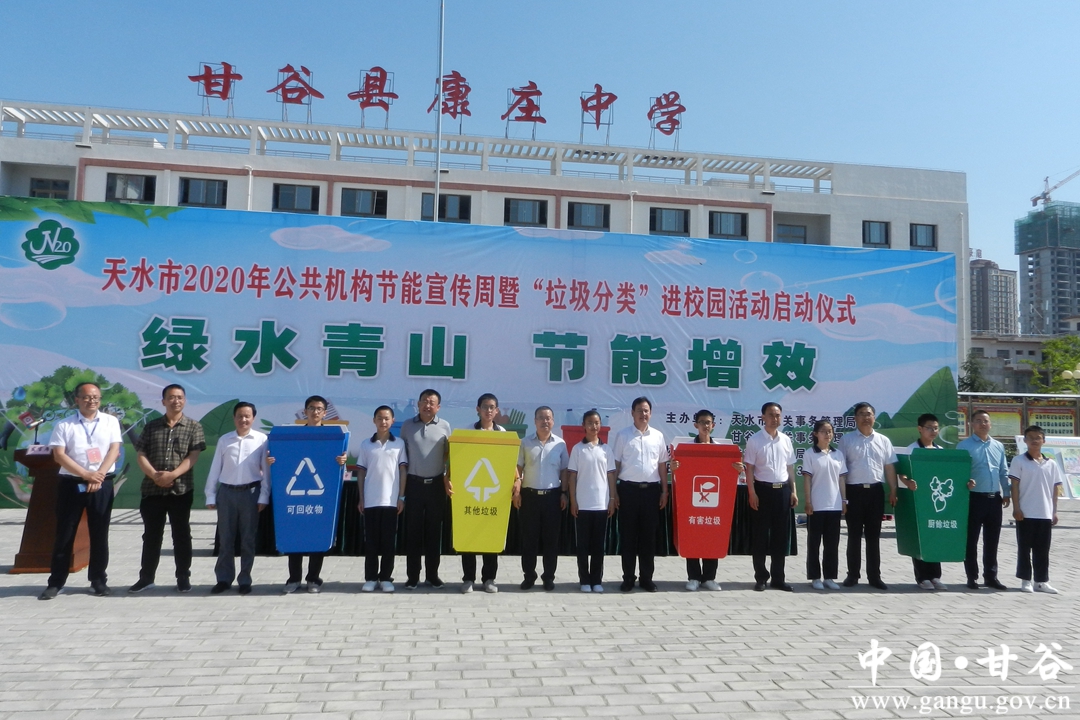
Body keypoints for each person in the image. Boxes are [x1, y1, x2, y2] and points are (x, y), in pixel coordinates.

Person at [40, 381, 122, 600]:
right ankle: (56, 582)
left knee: (99, 533)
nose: (91, 401)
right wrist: (86, 475)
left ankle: (98, 580)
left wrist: (98, 475)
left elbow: (114, 449)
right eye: (86, 397)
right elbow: (59, 455)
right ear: (77, 400)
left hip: (102, 482)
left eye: (95, 397)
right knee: (65, 533)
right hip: (72, 483)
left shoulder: (111, 422)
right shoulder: (64, 425)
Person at [128, 384, 206, 594]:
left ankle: (183, 577)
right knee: (151, 536)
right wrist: (155, 475)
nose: (175, 401)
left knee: (181, 535)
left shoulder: (194, 426)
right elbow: (141, 454)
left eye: (179, 397)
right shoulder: (151, 426)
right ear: (163, 401)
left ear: (184, 400)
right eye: (171, 397)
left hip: (181, 490)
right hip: (152, 490)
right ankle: (146, 578)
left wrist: (172, 475)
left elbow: (193, 456)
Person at [280, 395, 347, 594]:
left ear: (325, 413)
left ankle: (313, 579)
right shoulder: (294, 436)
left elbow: (338, 462)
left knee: (318, 535)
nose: (315, 412)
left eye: (319, 409)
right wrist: (273, 460)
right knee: (295, 535)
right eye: (311, 408)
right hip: (296, 494)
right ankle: (293, 578)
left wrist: (341, 460)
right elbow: (285, 459)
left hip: (321, 494)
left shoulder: (332, 437)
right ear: (305, 411)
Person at [205, 401, 269, 595]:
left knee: (248, 539)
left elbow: (266, 471)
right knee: (226, 539)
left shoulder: (262, 440)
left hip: (251, 493)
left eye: (247, 416)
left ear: (253, 418)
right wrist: (210, 494)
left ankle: (245, 579)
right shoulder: (225, 440)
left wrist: (264, 496)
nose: (243, 419)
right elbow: (215, 467)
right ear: (234, 418)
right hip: (227, 493)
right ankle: (224, 579)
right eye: (240, 416)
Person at [837, 402, 898, 590]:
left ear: (874, 417)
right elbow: (841, 471)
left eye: (869, 414)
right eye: (862, 414)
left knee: (873, 536)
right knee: (854, 535)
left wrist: (893, 490)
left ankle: (874, 577)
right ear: (855, 418)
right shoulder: (846, 440)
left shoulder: (883, 441)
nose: (866, 417)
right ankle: (852, 575)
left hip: (875, 491)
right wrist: (843, 498)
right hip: (854, 492)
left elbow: (889, 467)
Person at [611, 396, 670, 593]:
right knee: (628, 537)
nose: (643, 414)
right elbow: (616, 464)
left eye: (646, 411)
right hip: (628, 491)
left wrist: (664, 490)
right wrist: (614, 493)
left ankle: (647, 578)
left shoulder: (658, 436)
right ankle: (628, 578)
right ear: (632, 413)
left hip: (651, 492)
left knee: (648, 538)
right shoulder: (623, 435)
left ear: (650, 414)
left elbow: (662, 465)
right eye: (639, 410)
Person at [400, 389, 452, 590]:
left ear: (438, 407)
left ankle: (432, 575)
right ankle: (412, 576)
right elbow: (402, 455)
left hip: (436, 486)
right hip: (413, 485)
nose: (427, 405)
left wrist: (447, 477)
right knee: (413, 532)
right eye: (424, 401)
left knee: (433, 532)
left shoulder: (445, 426)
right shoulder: (407, 426)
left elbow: (449, 455)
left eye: (432, 403)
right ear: (418, 403)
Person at [513, 406, 569, 591]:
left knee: (551, 540)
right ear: (535, 421)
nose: (545, 421)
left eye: (548, 418)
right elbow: (518, 468)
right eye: (541, 418)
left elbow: (564, 471)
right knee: (529, 540)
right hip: (529, 497)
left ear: (553, 421)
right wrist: (517, 491)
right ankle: (529, 576)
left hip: (552, 497)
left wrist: (564, 493)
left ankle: (548, 577)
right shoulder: (525, 443)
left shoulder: (560, 444)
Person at [744, 401, 798, 592]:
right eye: (771, 415)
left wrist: (793, 491)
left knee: (780, 537)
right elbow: (749, 469)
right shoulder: (755, 440)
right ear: (763, 417)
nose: (774, 418)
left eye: (777, 415)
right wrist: (752, 492)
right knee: (760, 536)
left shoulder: (786, 440)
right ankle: (761, 577)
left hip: (782, 491)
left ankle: (778, 578)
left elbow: (789, 468)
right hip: (762, 491)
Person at [459, 392, 508, 593]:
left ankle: (489, 578)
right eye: (485, 407)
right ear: (477, 409)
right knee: (469, 535)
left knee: (490, 535)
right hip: (469, 491)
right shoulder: (467, 431)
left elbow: (507, 461)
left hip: (493, 493)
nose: (488, 410)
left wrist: (516, 480)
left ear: (497, 411)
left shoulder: (502, 433)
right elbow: (459, 459)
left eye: (492, 407)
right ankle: (468, 578)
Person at [956, 410, 1011, 591]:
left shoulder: (998, 446)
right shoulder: (964, 446)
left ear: (990, 424)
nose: (982, 424)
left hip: (994, 499)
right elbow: (959, 473)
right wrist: (966, 482)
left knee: (992, 541)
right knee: (971, 540)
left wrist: (1006, 492)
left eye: (985, 421)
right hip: (974, 498)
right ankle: (972, 577)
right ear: (971, 424)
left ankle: (991, 577)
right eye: (978, 421)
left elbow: (1003, 471)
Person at [356, 406, 408, 593]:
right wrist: (361, 498)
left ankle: (386, 577)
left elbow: (403, 470)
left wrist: (401, 497)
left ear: (392, 421)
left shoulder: (399, 444)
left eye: (387, 418)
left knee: (388, 542)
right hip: (370, 500)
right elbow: (361, 472)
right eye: (379, 418)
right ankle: (371, 577)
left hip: (391, 501)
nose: (383, 422)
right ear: (374, 420)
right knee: (371, 542)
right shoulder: (366, 444)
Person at [1009, 425, 1063, 594]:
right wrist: (1016, 508)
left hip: (1044, 513)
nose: (1034, 440)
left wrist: (1054, 511)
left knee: (1043, 549)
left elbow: (1055, 489)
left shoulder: (1051, 463)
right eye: (1031, 437)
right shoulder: (1019, 461)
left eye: (1038, 437)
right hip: (1025, 512)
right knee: (1024, 548)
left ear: (1043, 440)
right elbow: (1014, 486)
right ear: (1025, 440)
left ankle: (1041, 581)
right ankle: (1026, 580)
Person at [568, 409, 617, 593]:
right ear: (583, 425)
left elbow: (611, 476)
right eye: (590, 423)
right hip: (582, 504)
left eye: (596, 423)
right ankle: (584, 580)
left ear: (600, 425)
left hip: (601, 504)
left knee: (598, 546)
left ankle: (597, 580)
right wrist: (573, 500)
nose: (593, 426)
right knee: (582, 546)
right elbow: (572, 477)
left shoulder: (606, 450)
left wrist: (612, 499)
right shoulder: (577, 449)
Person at [900, 413, 948, 591]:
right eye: (929, 428)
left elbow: (946, 474)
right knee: (920, 539)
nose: (933, 431)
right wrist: (908, 482)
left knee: (935, 536)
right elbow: (902, 473)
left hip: (935, 501)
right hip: (918, 501)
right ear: (920, 429)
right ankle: (922, 577)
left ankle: (935, 576)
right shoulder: (911, 449)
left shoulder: (940, 450)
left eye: (936, 428)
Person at [801, 419, 847, 591]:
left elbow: (841, 479)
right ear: (815, 434)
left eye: (830, 431)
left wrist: (844, 500)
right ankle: (815, 577)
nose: (827, 434)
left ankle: (829, 577)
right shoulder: (810, 454)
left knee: (832, 544)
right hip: (817, 505)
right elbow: (807, 479)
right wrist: (808, 501)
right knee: (814, 543)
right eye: (823, 431)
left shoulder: (838, 454)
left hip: (834, 506)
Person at [682, 409, 725, 592]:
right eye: (702, 422)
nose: (705, 426)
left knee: (712, 536)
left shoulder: (721, 449)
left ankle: (709, 578)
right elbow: (680, 471)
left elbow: (725, 473)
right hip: (692, 497)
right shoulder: (686, 448)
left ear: (713, 425)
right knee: (692, 534)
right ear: (695, 425)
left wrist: (735, 467)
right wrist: (675, 465)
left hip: (714, 500)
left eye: (708, 422)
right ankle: (693, 577)